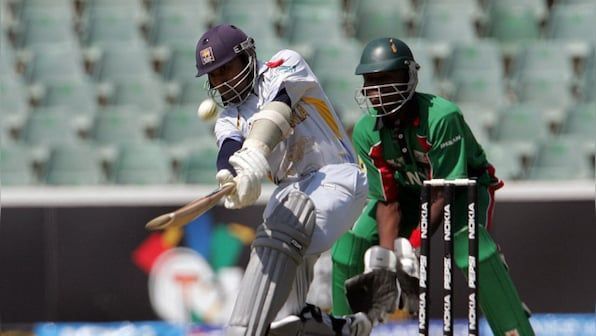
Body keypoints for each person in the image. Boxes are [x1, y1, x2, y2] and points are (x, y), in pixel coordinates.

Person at [330, 37, 536, 335]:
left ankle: (513, 325)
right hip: (407, 194)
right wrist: (388, 258)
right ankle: (343, 328)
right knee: (348, 246)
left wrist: (412, 245)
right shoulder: (366, 131)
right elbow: (387, 200)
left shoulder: (442, 117)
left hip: (464, 188)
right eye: (370, 81)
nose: (377, 91)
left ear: (409, 77)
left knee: (472, 250)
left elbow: (443, 190)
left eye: (385, 79)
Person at [194, 24, 371, 336]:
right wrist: (232, 176)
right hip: (289, 190)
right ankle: (335, 328)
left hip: (337, 177)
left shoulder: (284, 64)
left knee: (284, 233)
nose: (222, 82)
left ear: (248, 56)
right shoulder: (227, 118)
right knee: (285, 315)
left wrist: (254, 152)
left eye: (226, 69)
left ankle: (260, 326)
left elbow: (278, 108)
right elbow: (228, 149)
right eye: (214, 75)